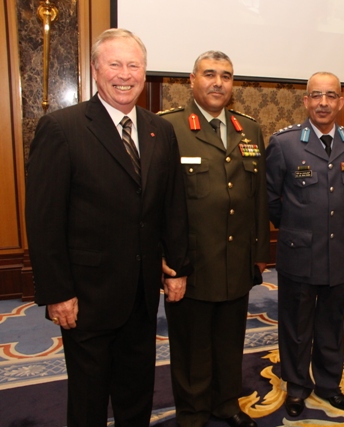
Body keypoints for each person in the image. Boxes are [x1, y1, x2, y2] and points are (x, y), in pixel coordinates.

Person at [25, 29, 191, 426]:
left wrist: (178, 267)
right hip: (87, 296)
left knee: (137, 390)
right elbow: (44, 220)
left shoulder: (160, 130)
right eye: (115, 64)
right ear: (96, 70)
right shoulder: (61, 128)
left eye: (134, 65)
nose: (125, 74)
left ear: (144, 72)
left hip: (141, 292)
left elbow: (172, 205)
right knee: (89, 397)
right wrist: (57, 292)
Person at [160, 51, 269, 427]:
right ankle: (192, 413)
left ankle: (226, 403)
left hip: (236, 258)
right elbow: (159, 202)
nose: (218, 82)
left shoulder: (248, 128)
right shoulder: (169, 127)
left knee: (229, 340)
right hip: (192, 261)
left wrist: (259, 252)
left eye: (226, 75)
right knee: (192, 345)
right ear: (192, 80)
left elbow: (257, 196)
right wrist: (168, 261)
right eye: (209, 74)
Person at [266, 72, 344, 418]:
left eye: (331, 96)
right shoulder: (285, 143)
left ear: (341, 102)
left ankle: (328, 384)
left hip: (338, 251)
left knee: (332, 323)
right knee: (296, 325)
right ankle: (296, 387)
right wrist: (295, 227)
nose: (323, 103)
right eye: (316, 96)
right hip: (299, 252)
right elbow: (270, 197)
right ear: (306, 101)